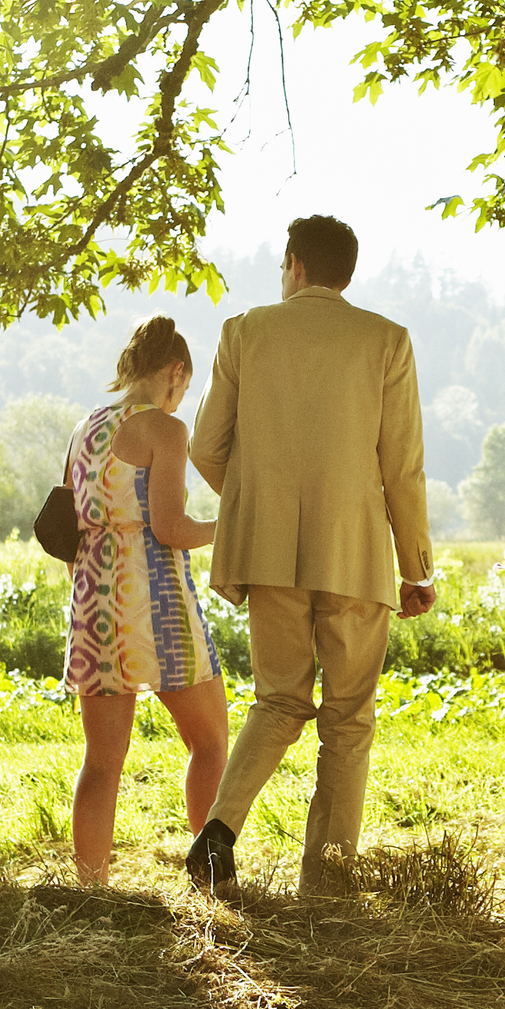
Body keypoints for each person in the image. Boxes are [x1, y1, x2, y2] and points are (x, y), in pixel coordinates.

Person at [184, 215, 435, 901]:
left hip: (267, 553)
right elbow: (402, 467)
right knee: (348, 718)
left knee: (278, 700)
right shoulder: (387, 340)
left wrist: (258, 504)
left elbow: (207, 449)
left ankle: (219, 831)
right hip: (355, 554)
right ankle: (325, 884)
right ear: (346, 274)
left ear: (292, 263)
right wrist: (417, 566)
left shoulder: (244, 331)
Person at [66, 315, 228, 888]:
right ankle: (210, 880)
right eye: (183, 388)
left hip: (93, 602)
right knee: (210, 740)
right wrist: (230, 526)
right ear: (176, 372)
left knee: (102, 760)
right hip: (157, 600)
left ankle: (91, 889)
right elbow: (171, 527)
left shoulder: (85, 427)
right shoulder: (164, 428)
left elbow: (66, 524)